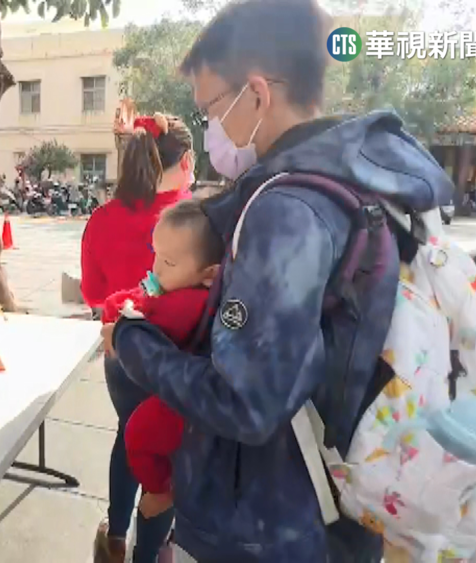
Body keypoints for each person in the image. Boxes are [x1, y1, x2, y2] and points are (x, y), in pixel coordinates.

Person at [103, 1, 452, 561]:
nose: (210, 129)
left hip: (268, 526)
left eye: (210, 109)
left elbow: (246, 403)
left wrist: (131, 341)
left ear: (258, 94)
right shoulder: (367, 179)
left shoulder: (286, 211)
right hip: (334, 506)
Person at [83, 112, 195, 563]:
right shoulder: (194, 216)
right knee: (165, 457)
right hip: (178, 356)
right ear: (186, 160)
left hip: (121, 350)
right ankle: (150, 553)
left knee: (127, 433)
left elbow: (93, 293)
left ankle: (114, 538)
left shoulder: (103, 217)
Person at [100, 199, 221, 520]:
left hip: (183, 397)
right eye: (155, 255)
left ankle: (161, 491)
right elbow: (138, 298)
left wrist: (117, 319)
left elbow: (138, 313)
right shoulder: (173, 287)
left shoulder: (187, 303)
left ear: (209, 274)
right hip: (171, 384)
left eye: (168, 262)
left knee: (138, 434)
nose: (156, 269)